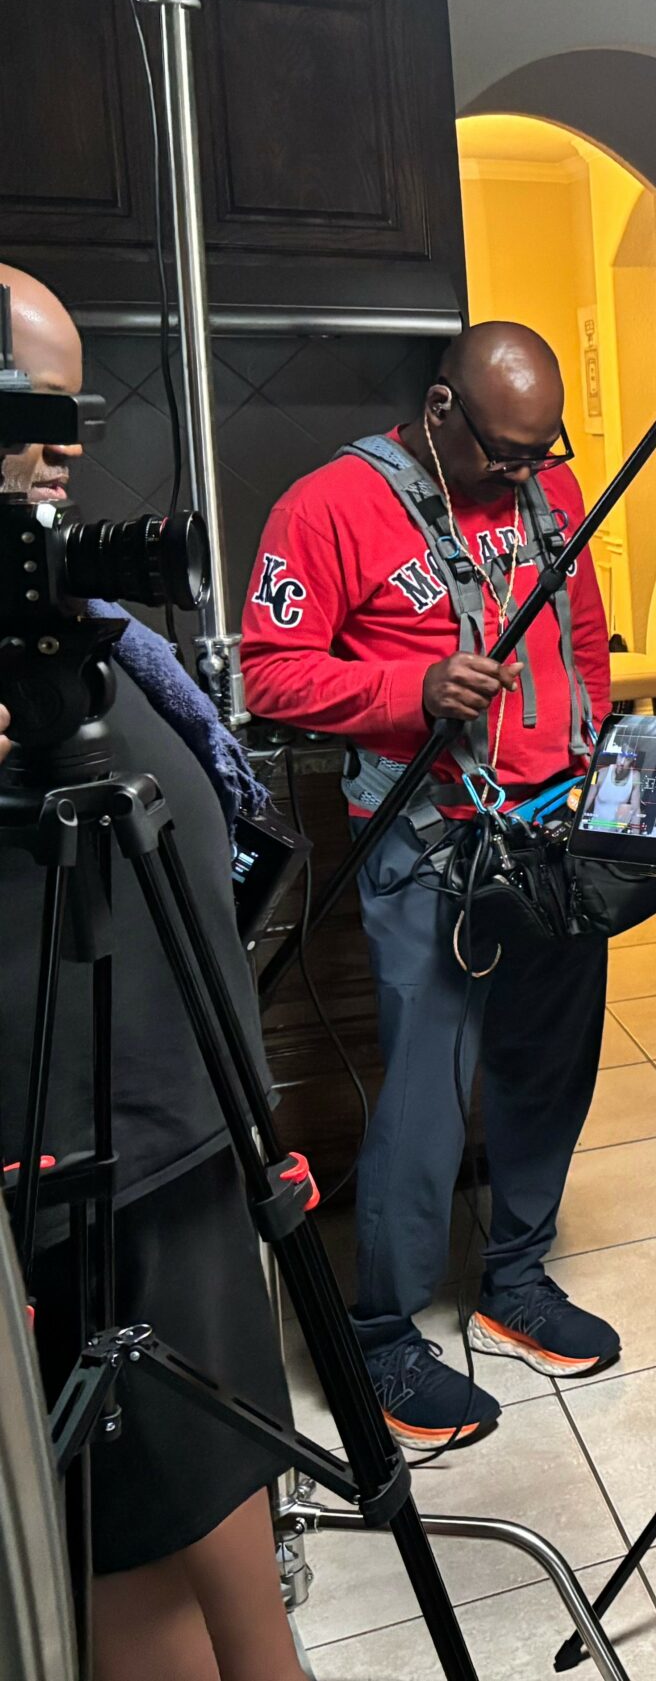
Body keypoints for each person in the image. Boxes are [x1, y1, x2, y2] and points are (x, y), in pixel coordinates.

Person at [0, 266, 302, 1681]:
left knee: (231, 1513)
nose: (66, 444)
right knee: (137, 1560)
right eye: (33, 409)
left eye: (77, 410)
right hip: (72, 1186)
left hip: (188, 1148)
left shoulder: (70, 615)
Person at [242, 322, 618, 1448]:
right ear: (442, 407)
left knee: (551, 1059)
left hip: (554, 832)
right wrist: (413, 688)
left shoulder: (551, 489)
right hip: (429, 839)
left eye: (542, 451)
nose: (526, 472)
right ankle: (382, 1333)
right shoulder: (326, 507)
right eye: (507, 452)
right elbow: (270, 673)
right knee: (425, 1090)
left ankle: (516, 1278)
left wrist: (594, 760)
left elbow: (582, 637)